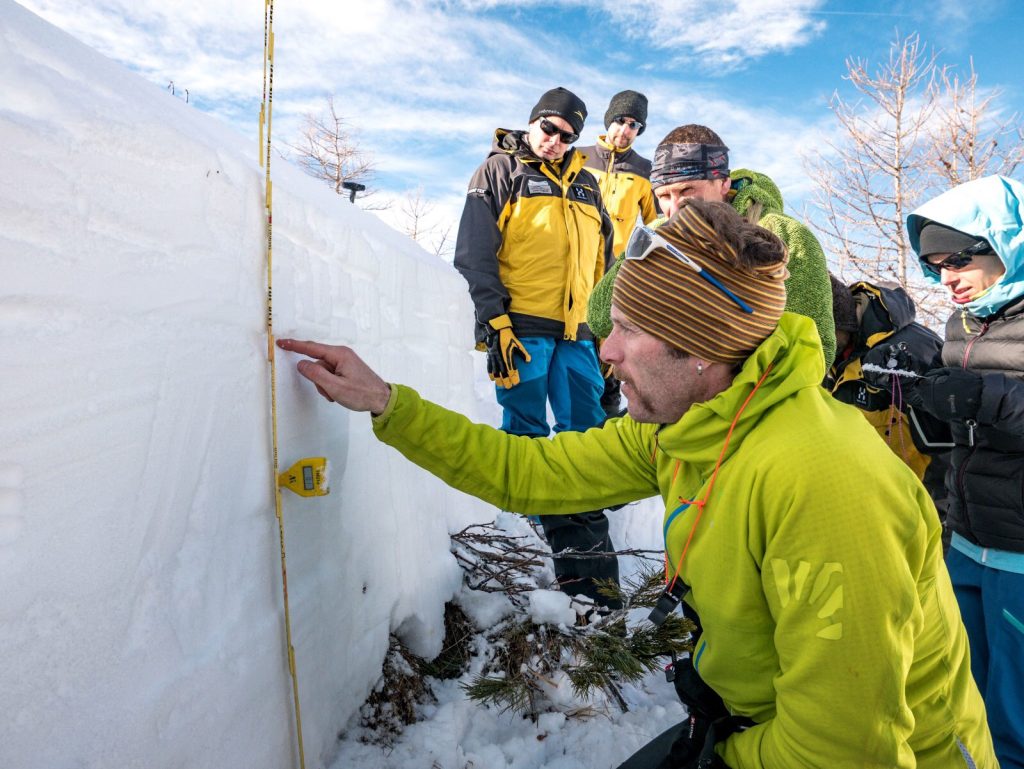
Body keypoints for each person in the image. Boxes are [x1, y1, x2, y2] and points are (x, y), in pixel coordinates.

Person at [279, 198, 995, 768]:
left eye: (628, 328)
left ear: (704, 350)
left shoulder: (823, 484)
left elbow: (846, 750)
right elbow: (527, 470)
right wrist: (387, 403)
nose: (607, 349)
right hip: (753, 723)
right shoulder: (688, 427)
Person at [452, 87, 620, 610]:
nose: (555, 141)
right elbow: (474, 253)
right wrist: (492, 321)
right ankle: (527, 537)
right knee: (526, 433)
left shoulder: (590, 186)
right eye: (549, 129)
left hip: (579, 335)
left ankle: (586, 563)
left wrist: (609, 333)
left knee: (585, 435)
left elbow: (607, 269)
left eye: (568, 135)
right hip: (520, 328)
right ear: (533, 122)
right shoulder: (499, 172)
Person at [904, 174, 1024, 769]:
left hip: (1021, 554)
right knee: (959, 697)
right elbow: (960, 437)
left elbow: (997, 404)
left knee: (1014, 718)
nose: (946, 276)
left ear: (1004, 243)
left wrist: (986, 398)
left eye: (958, 257)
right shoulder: (962, 325)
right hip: (967, 541)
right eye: (934, 264)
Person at [589, 124, 836, 368]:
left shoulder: (783, 234)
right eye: (663, 196)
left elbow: (813, 350)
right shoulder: (656, 235)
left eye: (686, 190)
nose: (674, 209)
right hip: (673, 394)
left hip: (750, 400)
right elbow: (599, 318)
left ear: (724, 183)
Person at [825, 275, 952, 542]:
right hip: (864, 506)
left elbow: (949, 440)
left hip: (920, 513)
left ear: (840, 324)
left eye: (822, 336)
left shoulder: (913, 349)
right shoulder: (837, 358)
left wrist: (932, 515)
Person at [578, 89, 660, 418]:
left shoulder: (644, 170)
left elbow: (659, 221)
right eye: (620, 121)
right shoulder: (578, 158)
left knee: (612, 351)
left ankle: (608, 421)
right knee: (578, 350)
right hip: (577, 269)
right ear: (608, 120)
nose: (625, 131)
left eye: (634, 125)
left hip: (617, 275)